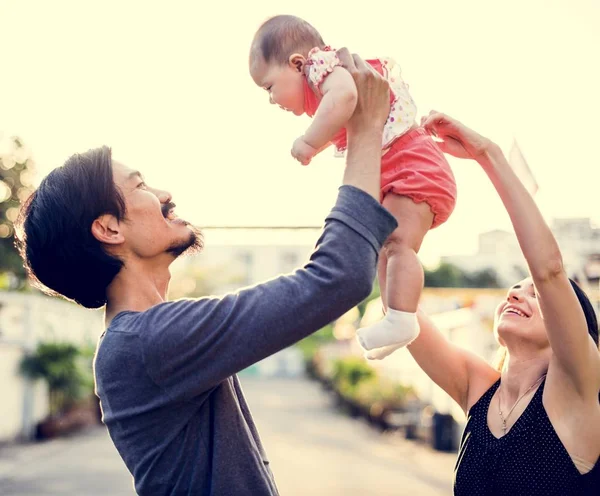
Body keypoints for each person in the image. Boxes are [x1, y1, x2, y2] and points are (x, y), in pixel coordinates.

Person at [13, 51, 397, 495]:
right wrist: (365, 129)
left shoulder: (145, 339)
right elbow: (337, 277)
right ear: (108, 228)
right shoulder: (149, 342)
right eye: (140, 185)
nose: (164, 193)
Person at [402, 111, 600, 495]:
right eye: (515, 286)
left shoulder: (576, 392)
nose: (515, 293)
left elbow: (549, 272)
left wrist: (486, 153)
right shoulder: (480, 389)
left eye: (533, 294)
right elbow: (402, 311)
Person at [249, 15, 457, 359]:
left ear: (297, 63)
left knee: (399, 244)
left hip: (412, 166)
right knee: (383, 248)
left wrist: (309, 142)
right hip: (399, 170)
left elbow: (344, 97)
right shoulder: (321, 86)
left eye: (269, 87)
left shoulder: (321, 68)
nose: (272, 100)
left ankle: (403, 319)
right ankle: (396, 320)